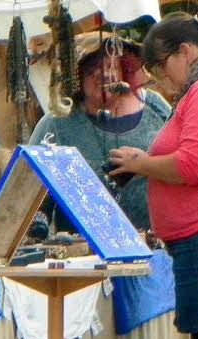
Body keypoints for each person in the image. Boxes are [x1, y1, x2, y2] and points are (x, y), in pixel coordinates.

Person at [108, 11, 198, 339]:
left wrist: (142, 163)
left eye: (161, 65)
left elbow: (193, 166)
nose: (161, 78)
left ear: (185, 52)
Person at [29, 31, 170, 230]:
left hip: (158, 240)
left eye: (112, 65)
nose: (106, 74)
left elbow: (184, 163)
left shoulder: (154, 107)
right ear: (77, 75)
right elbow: (29, 195)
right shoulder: (56, 124)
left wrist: (146, 164)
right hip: (82, 249)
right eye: (94, 68)